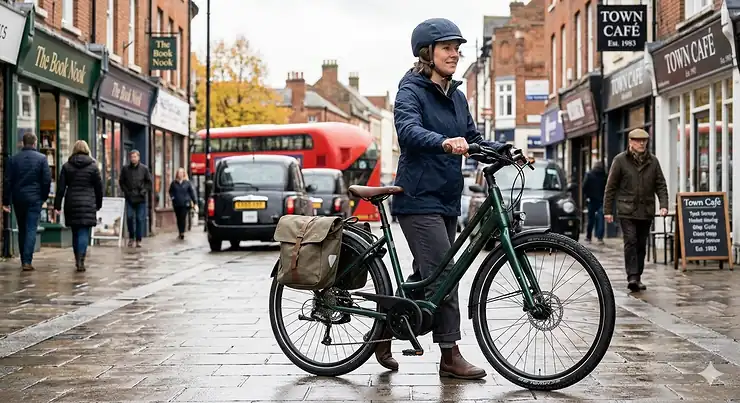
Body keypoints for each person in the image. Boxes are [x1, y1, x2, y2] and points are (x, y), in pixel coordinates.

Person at [380, 18, 511, 380]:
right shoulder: (411, 89)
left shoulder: (456, 96)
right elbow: (407, 130)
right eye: (447, 48)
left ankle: (383, 329)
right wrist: (442, 141)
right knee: (445, 277)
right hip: (418, 198)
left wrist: (504, 150)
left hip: (447, 198)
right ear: (427, 53)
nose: (454, 54)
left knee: (426, 278)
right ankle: (450, 356)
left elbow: (472, 137)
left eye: (457, 48)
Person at [603, 128, 668, 292]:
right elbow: (611, 187)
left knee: (641, 244)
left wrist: (664, 205)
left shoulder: (653, 161)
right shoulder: (620, 160)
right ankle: (632, 276)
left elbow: (660, 184)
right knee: (630, 241)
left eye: (644, 141)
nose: (641, 143)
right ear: (630, 142)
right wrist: (608, 210)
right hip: (627, 209)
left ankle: (637, 276)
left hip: (646, 210)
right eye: (638, 141)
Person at [2, 133, 51, 271]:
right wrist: (43, 197)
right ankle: (27, 261)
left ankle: (24, 259)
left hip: (18, 198)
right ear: (35, 143)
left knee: (22, 228)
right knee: (31, 229)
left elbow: (7, 181)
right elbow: (46, 180)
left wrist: (6, 201)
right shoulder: (42, 159)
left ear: (23, 143)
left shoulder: (13, 159)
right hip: (35, 198)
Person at [53, 140, 103, 272]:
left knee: (75, 232)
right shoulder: (93, 167)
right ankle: (81, 259)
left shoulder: (67, 166)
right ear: (87, 150)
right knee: (83, 232)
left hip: (72, 202)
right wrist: (98, 204)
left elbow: (61, 188)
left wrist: (57, 205)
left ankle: (77, 259)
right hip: (88, 203)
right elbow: (99, 188)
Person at [118, 150, 153, 248]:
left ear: (138, 157)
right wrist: (126, 191)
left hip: (140, 198)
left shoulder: (144, 169)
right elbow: (121, 181)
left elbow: (149, 182)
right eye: (132, 157)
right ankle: (131, 237)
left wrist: (144, 191)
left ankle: (138, 239)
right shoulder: (125, 169)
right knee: (129, 217)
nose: (133, 158)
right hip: (129, 197)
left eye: (135, 157)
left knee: (139, 219)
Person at [169, 167, 198, 240]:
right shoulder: (174, 183)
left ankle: (182, 233)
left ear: (184, 174)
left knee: (183, 217)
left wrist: (195, 202)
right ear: (177, 174)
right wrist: (173, 198)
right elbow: (170, 191)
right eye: (179, 173)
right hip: (177, 203)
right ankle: (180, 232)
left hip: (185, 203)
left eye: (182, 173)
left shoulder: (187, 183)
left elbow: (192, 193)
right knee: (178, 218)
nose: (180, 174)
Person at [583, 161, 607, 243]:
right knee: (601, 219)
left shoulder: (589, 175)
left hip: (591, 200)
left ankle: (589, 237)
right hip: (601, 200)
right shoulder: (604, 176)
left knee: (591, 219)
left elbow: (584, 187)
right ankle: (600, 238)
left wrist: (586, 197)